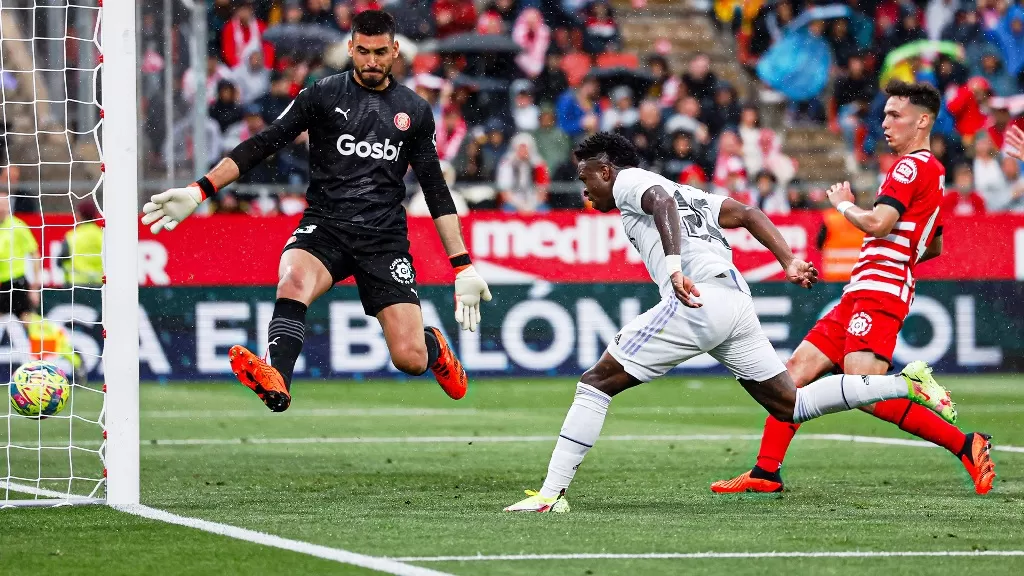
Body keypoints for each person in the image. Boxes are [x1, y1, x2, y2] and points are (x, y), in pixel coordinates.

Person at [504, 133, 955, 513]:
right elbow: (747, 213)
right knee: (788, 405)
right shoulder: (692, 193)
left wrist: (676, 266)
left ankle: (550, 494)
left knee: (595, 382)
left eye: (585, 179)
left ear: (606, 170)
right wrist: (788, 260)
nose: (584, 191)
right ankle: (905, 384)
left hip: (698, 296)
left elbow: (658, 201)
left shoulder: (630, 182)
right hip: (735, 301)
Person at [141, 11, 492, 412]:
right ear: (350, 48)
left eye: (380, 52)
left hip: (383, 240)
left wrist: (462, 265)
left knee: (409, 358)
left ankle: (434, 345)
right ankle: (278, 381)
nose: (372, 61)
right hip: (324, 228)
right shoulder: (323, 94)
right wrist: (199, 189)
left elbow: (435, 190)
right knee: (292, 281)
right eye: (363, 51)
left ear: (395, 51)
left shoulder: (413, 110)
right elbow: (264, 143)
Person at [713, 81, 997, 496]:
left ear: (922, 121)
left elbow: (879, 223)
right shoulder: (932, 172)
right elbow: (931, 243)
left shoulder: (908, 167)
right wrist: (898, 260)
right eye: (884, 114)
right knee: (795, 376)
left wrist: (843, 203)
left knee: (864, 384)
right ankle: (765, 471)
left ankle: (960, 440)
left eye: (895, 115)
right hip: (865, 288)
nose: (885, 122)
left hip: (878, 291)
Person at [0, 189, 40, 319]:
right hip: (2, 284)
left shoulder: (17, 226)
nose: (2, 209)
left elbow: (35, 254)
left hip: (17, 281)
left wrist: (34, 287)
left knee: (25, 319)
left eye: (4, 205)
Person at [60, 200, 104, 286]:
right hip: (100, 285)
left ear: (79, 215)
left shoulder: (71, 236)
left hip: (77, 285)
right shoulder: (102, 236)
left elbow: (60, 261)